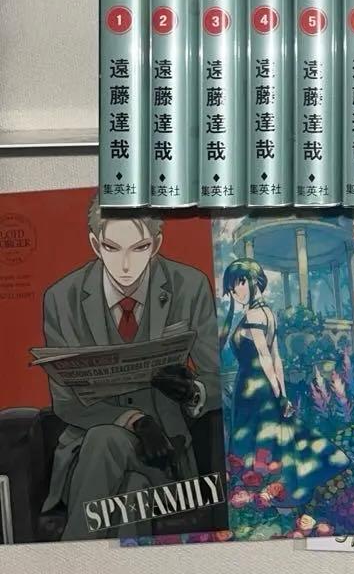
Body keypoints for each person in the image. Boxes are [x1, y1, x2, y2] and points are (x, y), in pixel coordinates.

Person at [41, 197, 219, 539]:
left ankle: (70, 557)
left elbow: (220, 378)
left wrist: (193, 392)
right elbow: (65, 402)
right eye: (111, 247)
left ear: (156, 245)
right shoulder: (61, 298)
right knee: (126, 477)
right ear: (95, 244)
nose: (125, 265)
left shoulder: (189, 285)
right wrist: (134, 420)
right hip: (88, 454)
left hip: (166, 454)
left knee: (122, 466)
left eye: (139, 248)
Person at [220, 258, 349, 507]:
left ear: (252, 282)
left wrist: (279, 393)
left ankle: (258, 493)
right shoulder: (268, 313)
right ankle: (265, 491)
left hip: (252, 388)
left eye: (238, 283)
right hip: (261, 387)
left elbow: (267, 357)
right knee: (271, 437)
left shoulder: (254, 314)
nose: (235, 291)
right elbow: (276, 358)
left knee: (253, 438)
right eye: (232, 286)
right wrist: (280, 393)